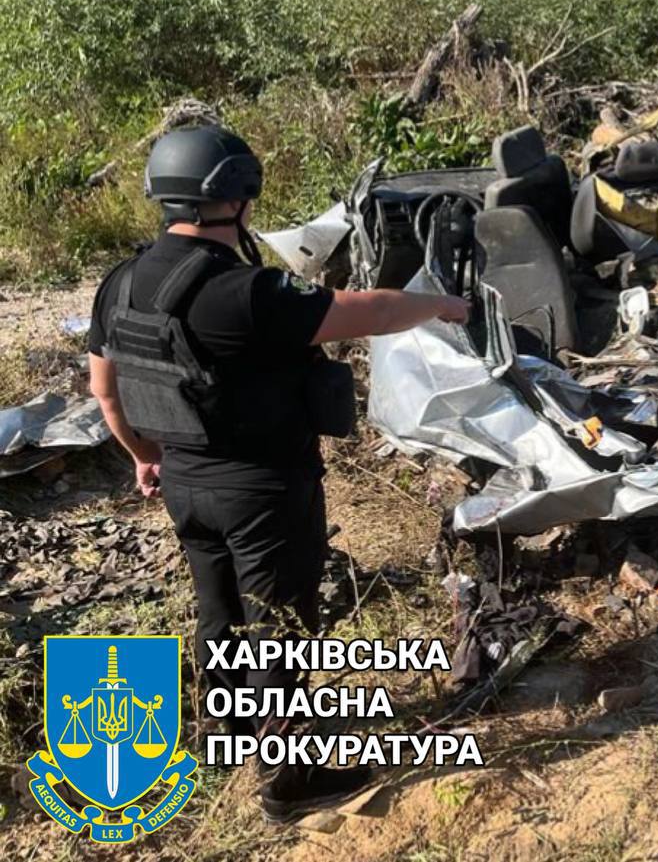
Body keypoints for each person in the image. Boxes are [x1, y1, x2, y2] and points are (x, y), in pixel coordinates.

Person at [86, 125, 469, 821]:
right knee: (281, 627)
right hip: (262, 487)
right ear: (236, 198)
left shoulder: (121, 283)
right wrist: (438, 305)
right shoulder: (244, 290)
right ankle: (288, 781)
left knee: (220, 616)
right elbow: (366, 311)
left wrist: (145, 454)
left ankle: (236, 740)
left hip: (184, 483)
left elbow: (106, 390)